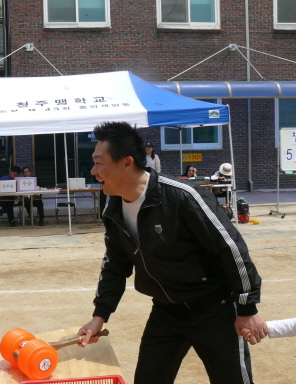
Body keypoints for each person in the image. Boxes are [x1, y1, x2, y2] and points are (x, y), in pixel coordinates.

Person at [77, 121, 266, 384]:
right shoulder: (113, 207)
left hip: (215, 310)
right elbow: (115, 266)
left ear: (126, 163)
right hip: (166, 312)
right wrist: (99, 316)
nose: (93, 171)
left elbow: (231, 247)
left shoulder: (183, 196)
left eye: (99, 163)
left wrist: (247, 307)